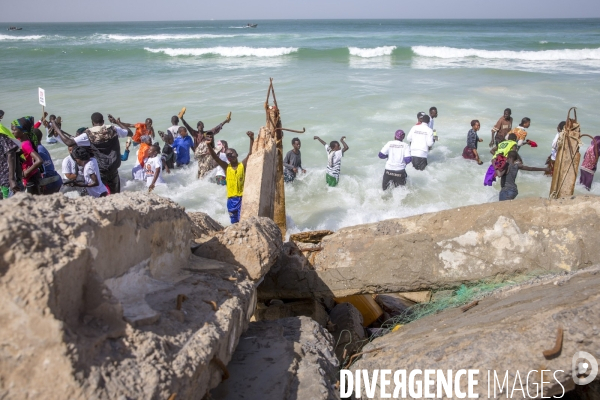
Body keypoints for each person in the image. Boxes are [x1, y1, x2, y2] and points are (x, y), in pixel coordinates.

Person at [49, 112, 131, 194]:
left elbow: (69, 142)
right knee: (115, 194)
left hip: (100, 171)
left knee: (101, 194)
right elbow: (129, 132)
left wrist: (55, 127)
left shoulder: (88, 134)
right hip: (114, 169)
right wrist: (116, 122)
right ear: (103, 121)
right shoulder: (114, 129)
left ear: (92, 123)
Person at [206, 131, 255, 224]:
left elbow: (250, 154)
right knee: (234, 222)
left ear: (237, 154)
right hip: (231, 200)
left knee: (242, 221)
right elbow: (216, 158)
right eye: (227, 155)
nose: (230, 155)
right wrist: (209, 145)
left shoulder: (242, 165)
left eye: (231, 153)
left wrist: (251, 139)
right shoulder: (226, 167)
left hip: (241, 199)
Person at [180, 111, 231, 178]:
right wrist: (182, 119)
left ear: (203, 126)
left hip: (207, 155)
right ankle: (199, 178)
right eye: (199, 125)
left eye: (201, 125)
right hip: (199, 155)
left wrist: (225, 121)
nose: (200, 126)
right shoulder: (194, 134)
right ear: (197, 127)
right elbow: (187, 126)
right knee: (200, 169)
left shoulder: (207, 134)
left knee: (208, 168)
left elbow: (216, 128)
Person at [11, 117, 43, 195]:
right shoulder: (23, 139)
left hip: (31, 178)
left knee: (33, 202)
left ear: (23, 132)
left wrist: (26, 173)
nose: (12, 132)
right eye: (12, 129)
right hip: (32, 175)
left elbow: (39, 160)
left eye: (14, 130)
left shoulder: (25, 144)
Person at [33, 128, 62, 194]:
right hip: (54, 181)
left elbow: (46, 171)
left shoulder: (39, 150)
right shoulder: (40, 148)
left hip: (50, 183)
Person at [0, 121, 20, 199]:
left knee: (10, 207)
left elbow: (11, 153)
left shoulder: (1, 135)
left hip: (6, 179)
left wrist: (12, 179)